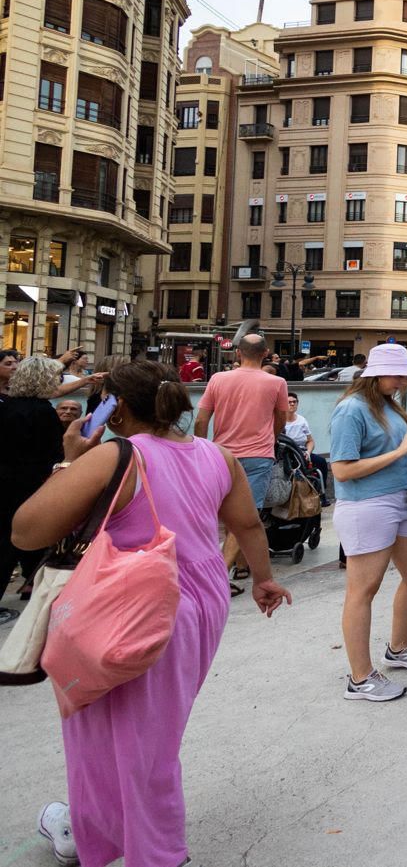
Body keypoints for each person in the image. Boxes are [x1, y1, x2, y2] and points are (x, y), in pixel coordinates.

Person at [15, 360, 290, 867]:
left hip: (128, 605)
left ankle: (154, 851)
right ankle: (99, 828)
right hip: (199, 600)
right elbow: (248, 525)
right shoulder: (217, 455)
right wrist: (265, 580)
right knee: (150, 731)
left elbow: (26, 531)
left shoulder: (116, 456)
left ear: (112, 412)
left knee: (115, 734)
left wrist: (71, 460)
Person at [329, 344, 407, 701]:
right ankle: (360, 677)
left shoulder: (387, 405)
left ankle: (399, 646)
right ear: (378, 374)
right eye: (401, 374)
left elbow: (390, 450)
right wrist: (400, 449)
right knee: (363, 589)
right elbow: (342, 470)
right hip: (367, 503)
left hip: (397, 499)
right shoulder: (351, 410)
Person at [194, 334, 289, 516]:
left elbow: (201, 420)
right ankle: (234, 545)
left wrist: (202, 451)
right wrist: (271, 440)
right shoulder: (277, 383)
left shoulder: (217, 379)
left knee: (220, 514)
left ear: (238, 353)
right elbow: (281, 420)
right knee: (248, 518)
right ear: (266, 353)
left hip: (222, 455)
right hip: (259, 455)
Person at [0, 357, 68, 611]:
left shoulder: (6, 406)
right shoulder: (42, 412)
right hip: (28, 483)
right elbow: (54, 452)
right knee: (18, 539)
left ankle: (32, 582)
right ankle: (34, 584)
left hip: (6, 480)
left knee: (9, 535)